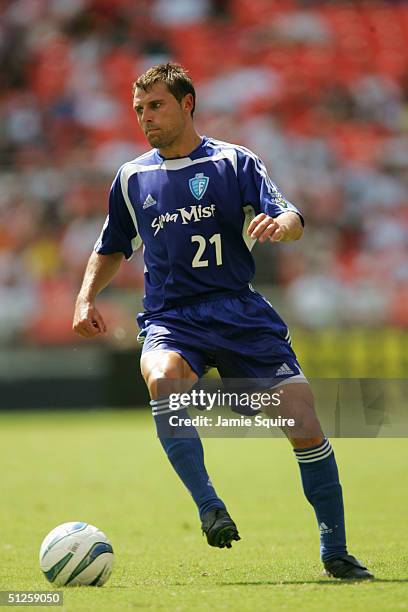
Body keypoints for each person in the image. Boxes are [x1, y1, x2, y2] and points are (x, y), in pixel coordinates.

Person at [73, 63, 373, 580]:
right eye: (139, 109)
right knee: (162, 379)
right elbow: (111, 246)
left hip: (238, 312)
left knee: (304, 421)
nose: (146, 117)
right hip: (172, 318)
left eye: (156, 105)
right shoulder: (131, 177)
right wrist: (85, 299)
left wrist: (281, 224)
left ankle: (336, 552)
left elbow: (292, 216)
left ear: (187, 103)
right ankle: (210, 507)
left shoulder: (235, 162)